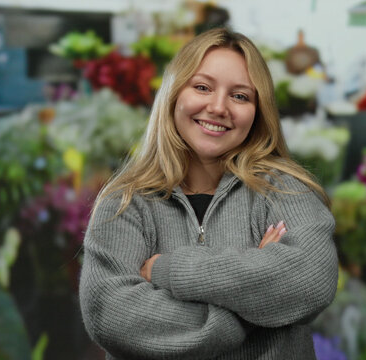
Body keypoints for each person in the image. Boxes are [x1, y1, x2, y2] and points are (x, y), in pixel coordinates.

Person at [79, 27, 338, 360]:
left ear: (258, 112)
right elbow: (110, 315)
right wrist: (248, 308)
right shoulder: (125, 201)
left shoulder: (284, 190)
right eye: (202, 87)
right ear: (173, 95)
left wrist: (166, 271)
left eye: (240, 96)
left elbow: (310, 279)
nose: (218, 107)